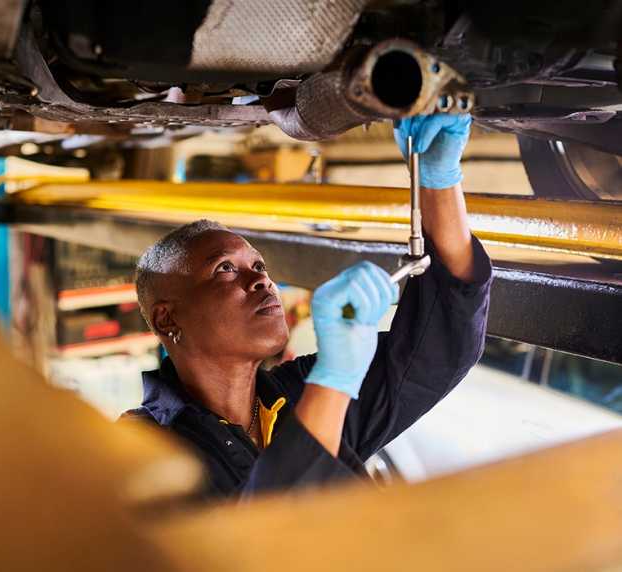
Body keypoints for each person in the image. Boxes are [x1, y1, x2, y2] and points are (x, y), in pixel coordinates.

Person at [121, 114, 492, 498]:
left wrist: (438, 182)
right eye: (225, 269)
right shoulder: (136, 450)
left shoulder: (297, 393)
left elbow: (438, 352)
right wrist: (333, 384)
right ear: (168, 318)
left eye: (260, 266)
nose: (262, 280)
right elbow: (252, 546)